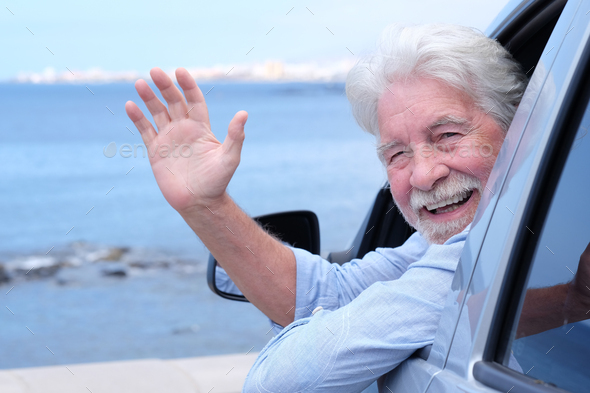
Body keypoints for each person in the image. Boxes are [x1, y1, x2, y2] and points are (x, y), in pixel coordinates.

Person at [125, 24, 590, 392]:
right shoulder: (475, 239)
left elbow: (282, 382)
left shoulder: (483, 246)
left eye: (447, 136)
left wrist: (569, 300)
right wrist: (207, 205)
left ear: (522, 131)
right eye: (397, 154)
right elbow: (327, 296)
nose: (424, 175)